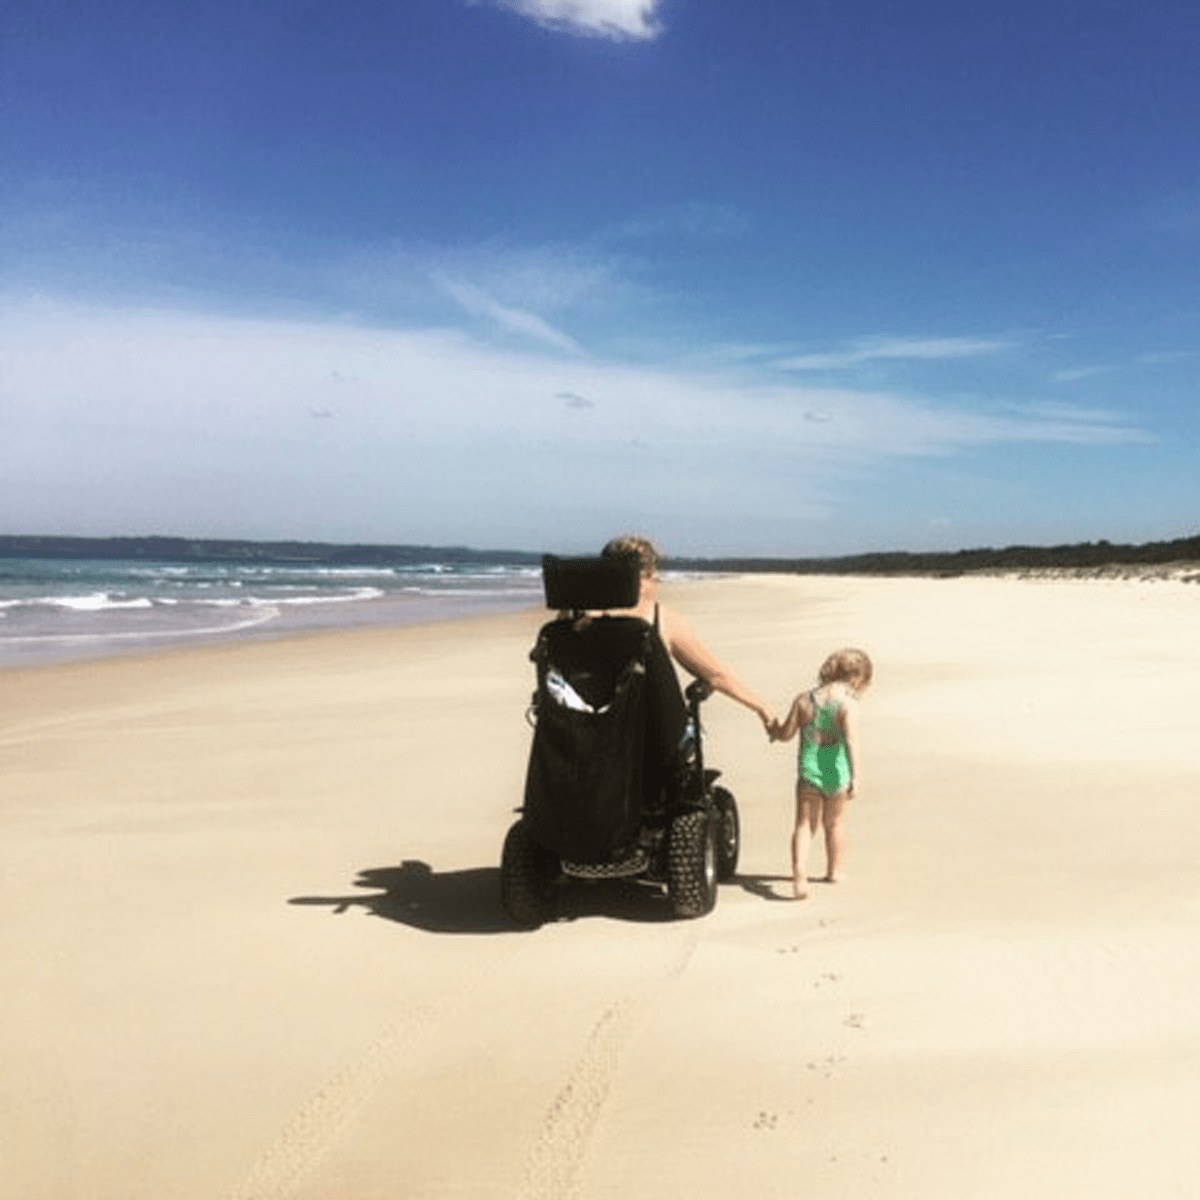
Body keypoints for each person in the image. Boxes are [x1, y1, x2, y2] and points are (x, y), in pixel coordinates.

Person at [600, 535, 774, 732]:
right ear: (645, 574)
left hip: (588, 740)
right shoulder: (660, 618)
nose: (657, 581)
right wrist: (762, 708)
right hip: (650, 738)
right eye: (654, 574)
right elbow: (717, 675)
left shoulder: (578, 615)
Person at [769, 648, 872, 899]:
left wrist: (773, 728)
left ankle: (800, 874)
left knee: (804, 825)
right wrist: (856, 777)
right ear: (856, 679)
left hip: (809, 770)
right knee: (834, 823)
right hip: (836, 773)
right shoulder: (848, 705)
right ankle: (833, 871)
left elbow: (785, 734)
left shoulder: (803, 700)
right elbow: (851, 741)